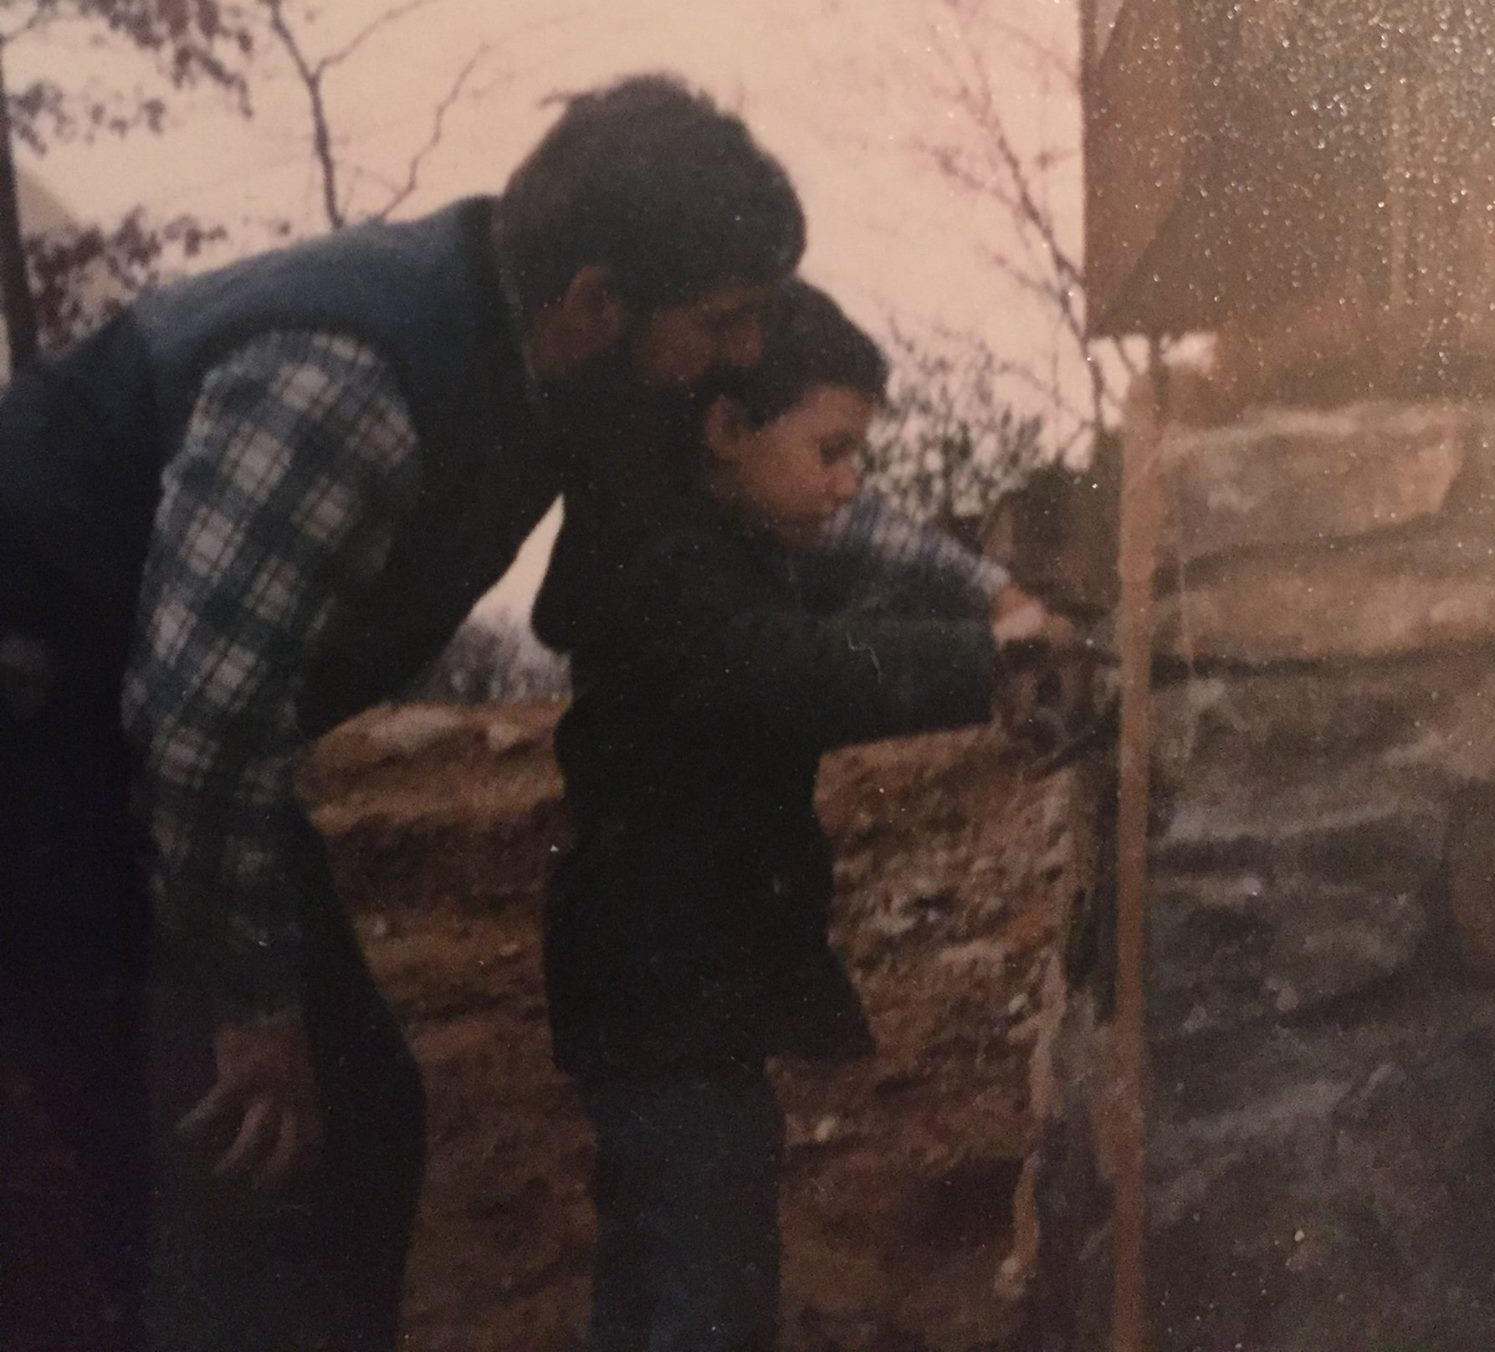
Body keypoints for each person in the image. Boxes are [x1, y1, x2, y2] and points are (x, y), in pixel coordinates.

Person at [0, 73, 808, 1352]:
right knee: (232, 1163)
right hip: (44, 729)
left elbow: (783, 449)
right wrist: (254, 1006)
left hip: (134, 733)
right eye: (725, 320)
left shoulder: (563, 346)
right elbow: (203, 721)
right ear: (598, 301)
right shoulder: (349, 389)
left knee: (356, 1119)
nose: (746, 351)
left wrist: (990, 606)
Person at [534, 279, 1071, 1350]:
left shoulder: (709, 534)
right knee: (710, 1271)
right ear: (728, 430)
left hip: (649, 985)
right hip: (666, 986)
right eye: (831, 451)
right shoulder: (678, 578)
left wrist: (987, 598)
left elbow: (855, 574)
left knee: (654, 1252)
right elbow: (799, 670)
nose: (850, 483)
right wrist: (990, 657)